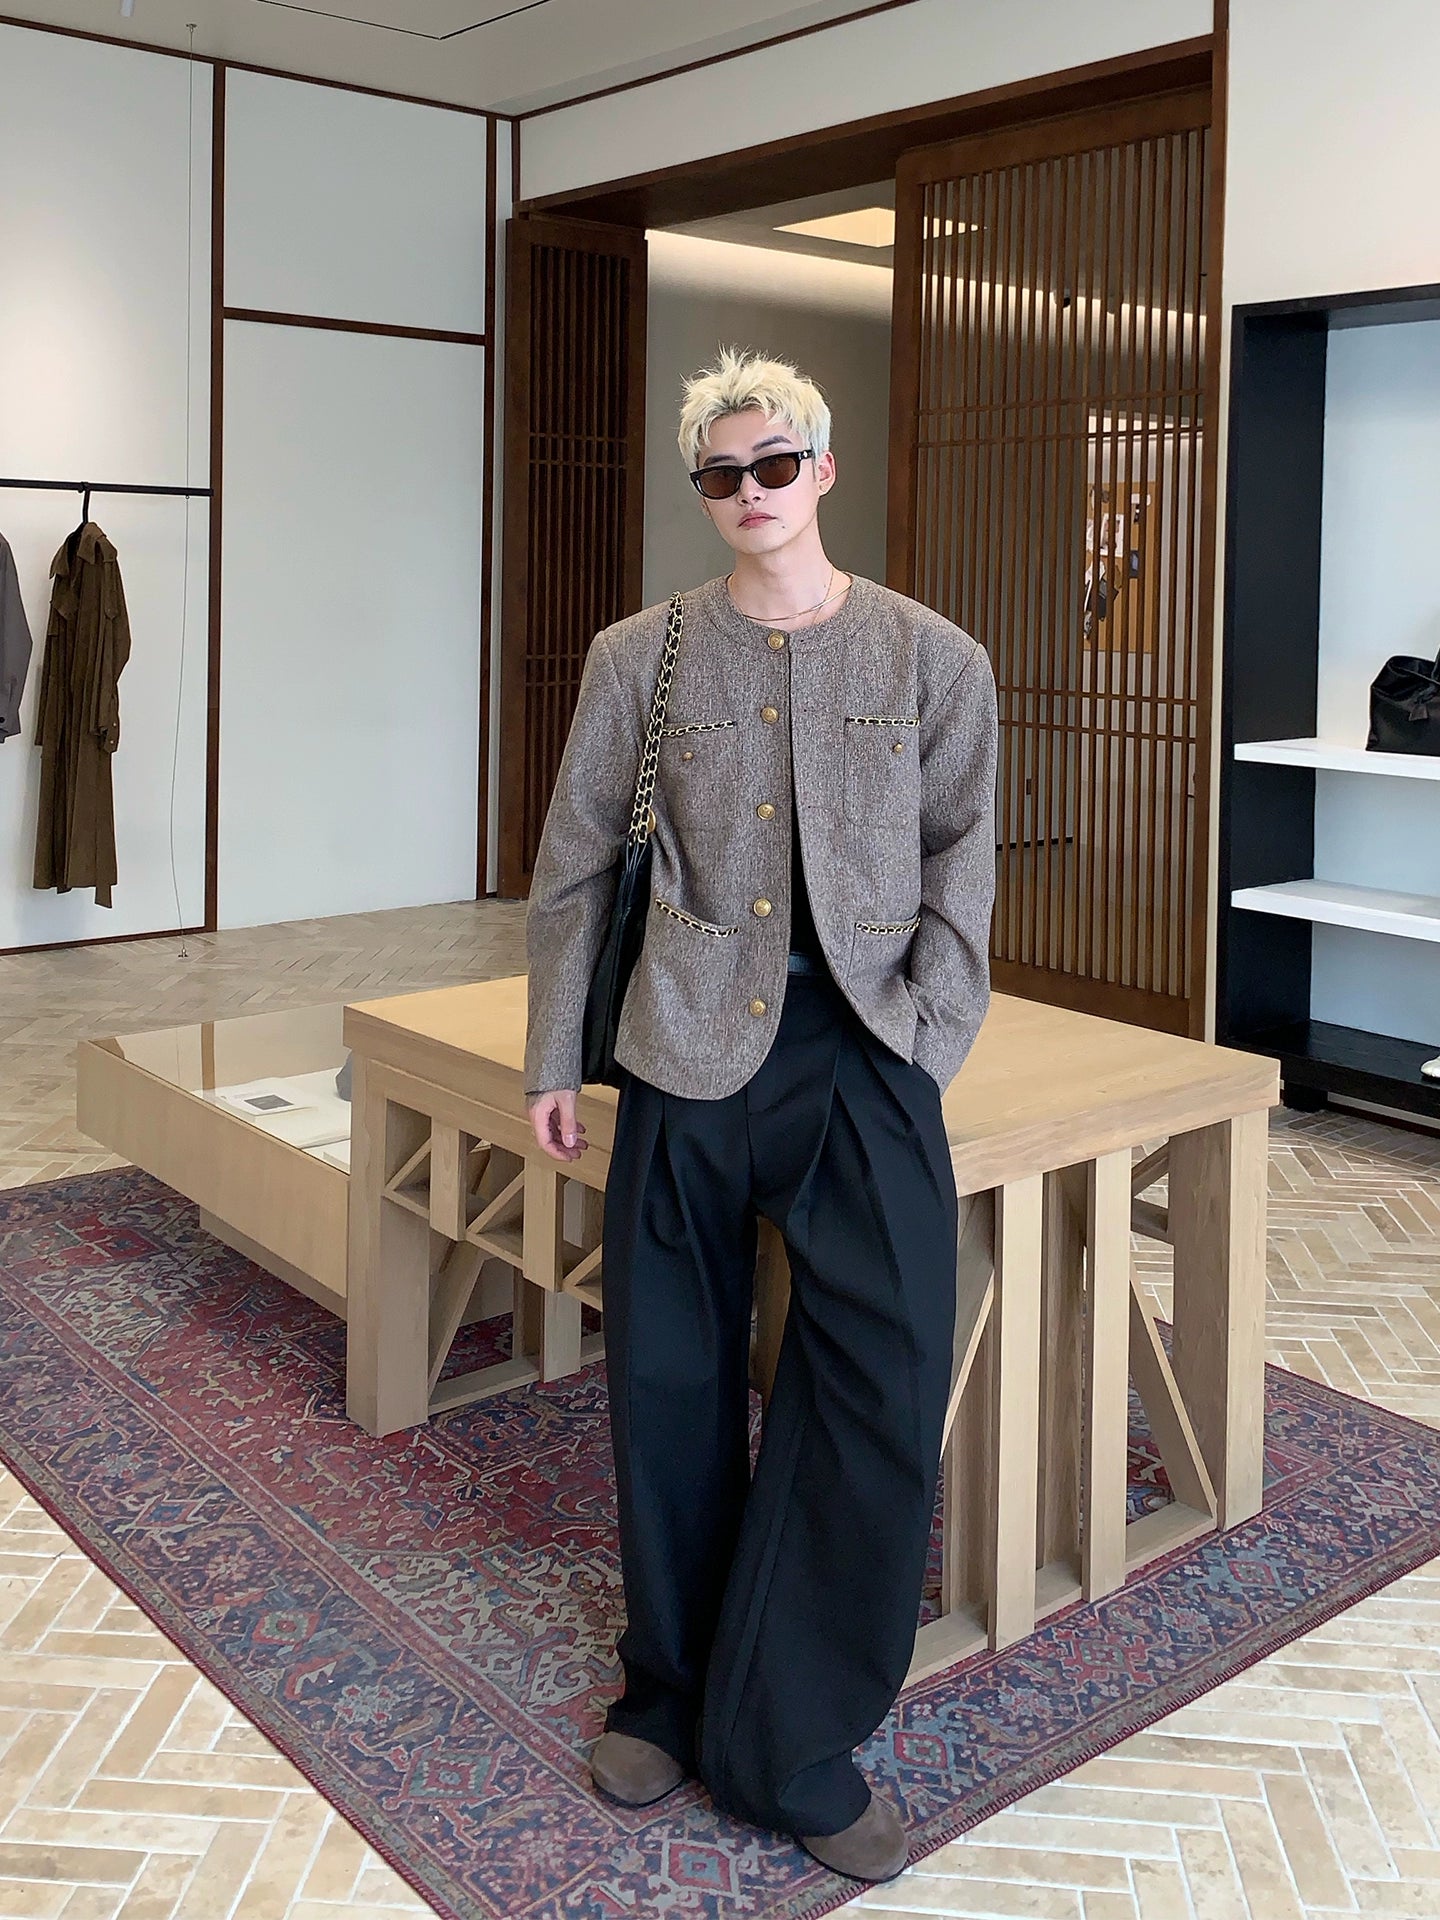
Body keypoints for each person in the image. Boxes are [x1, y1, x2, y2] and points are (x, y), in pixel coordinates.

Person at [524, 348, 997, 1883]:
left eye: (774, 464)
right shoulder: (639, 657)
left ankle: (790, 1730)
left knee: (883, 1377)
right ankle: (666, 1688)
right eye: (722, 474)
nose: (750, 492)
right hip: (681, 1046)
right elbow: (574, 865)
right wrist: (552, 1058)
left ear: (823, 470)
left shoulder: (934, 659)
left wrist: (924, 1041)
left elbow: (964, 863)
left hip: (862, 1053)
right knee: (667, 1373)